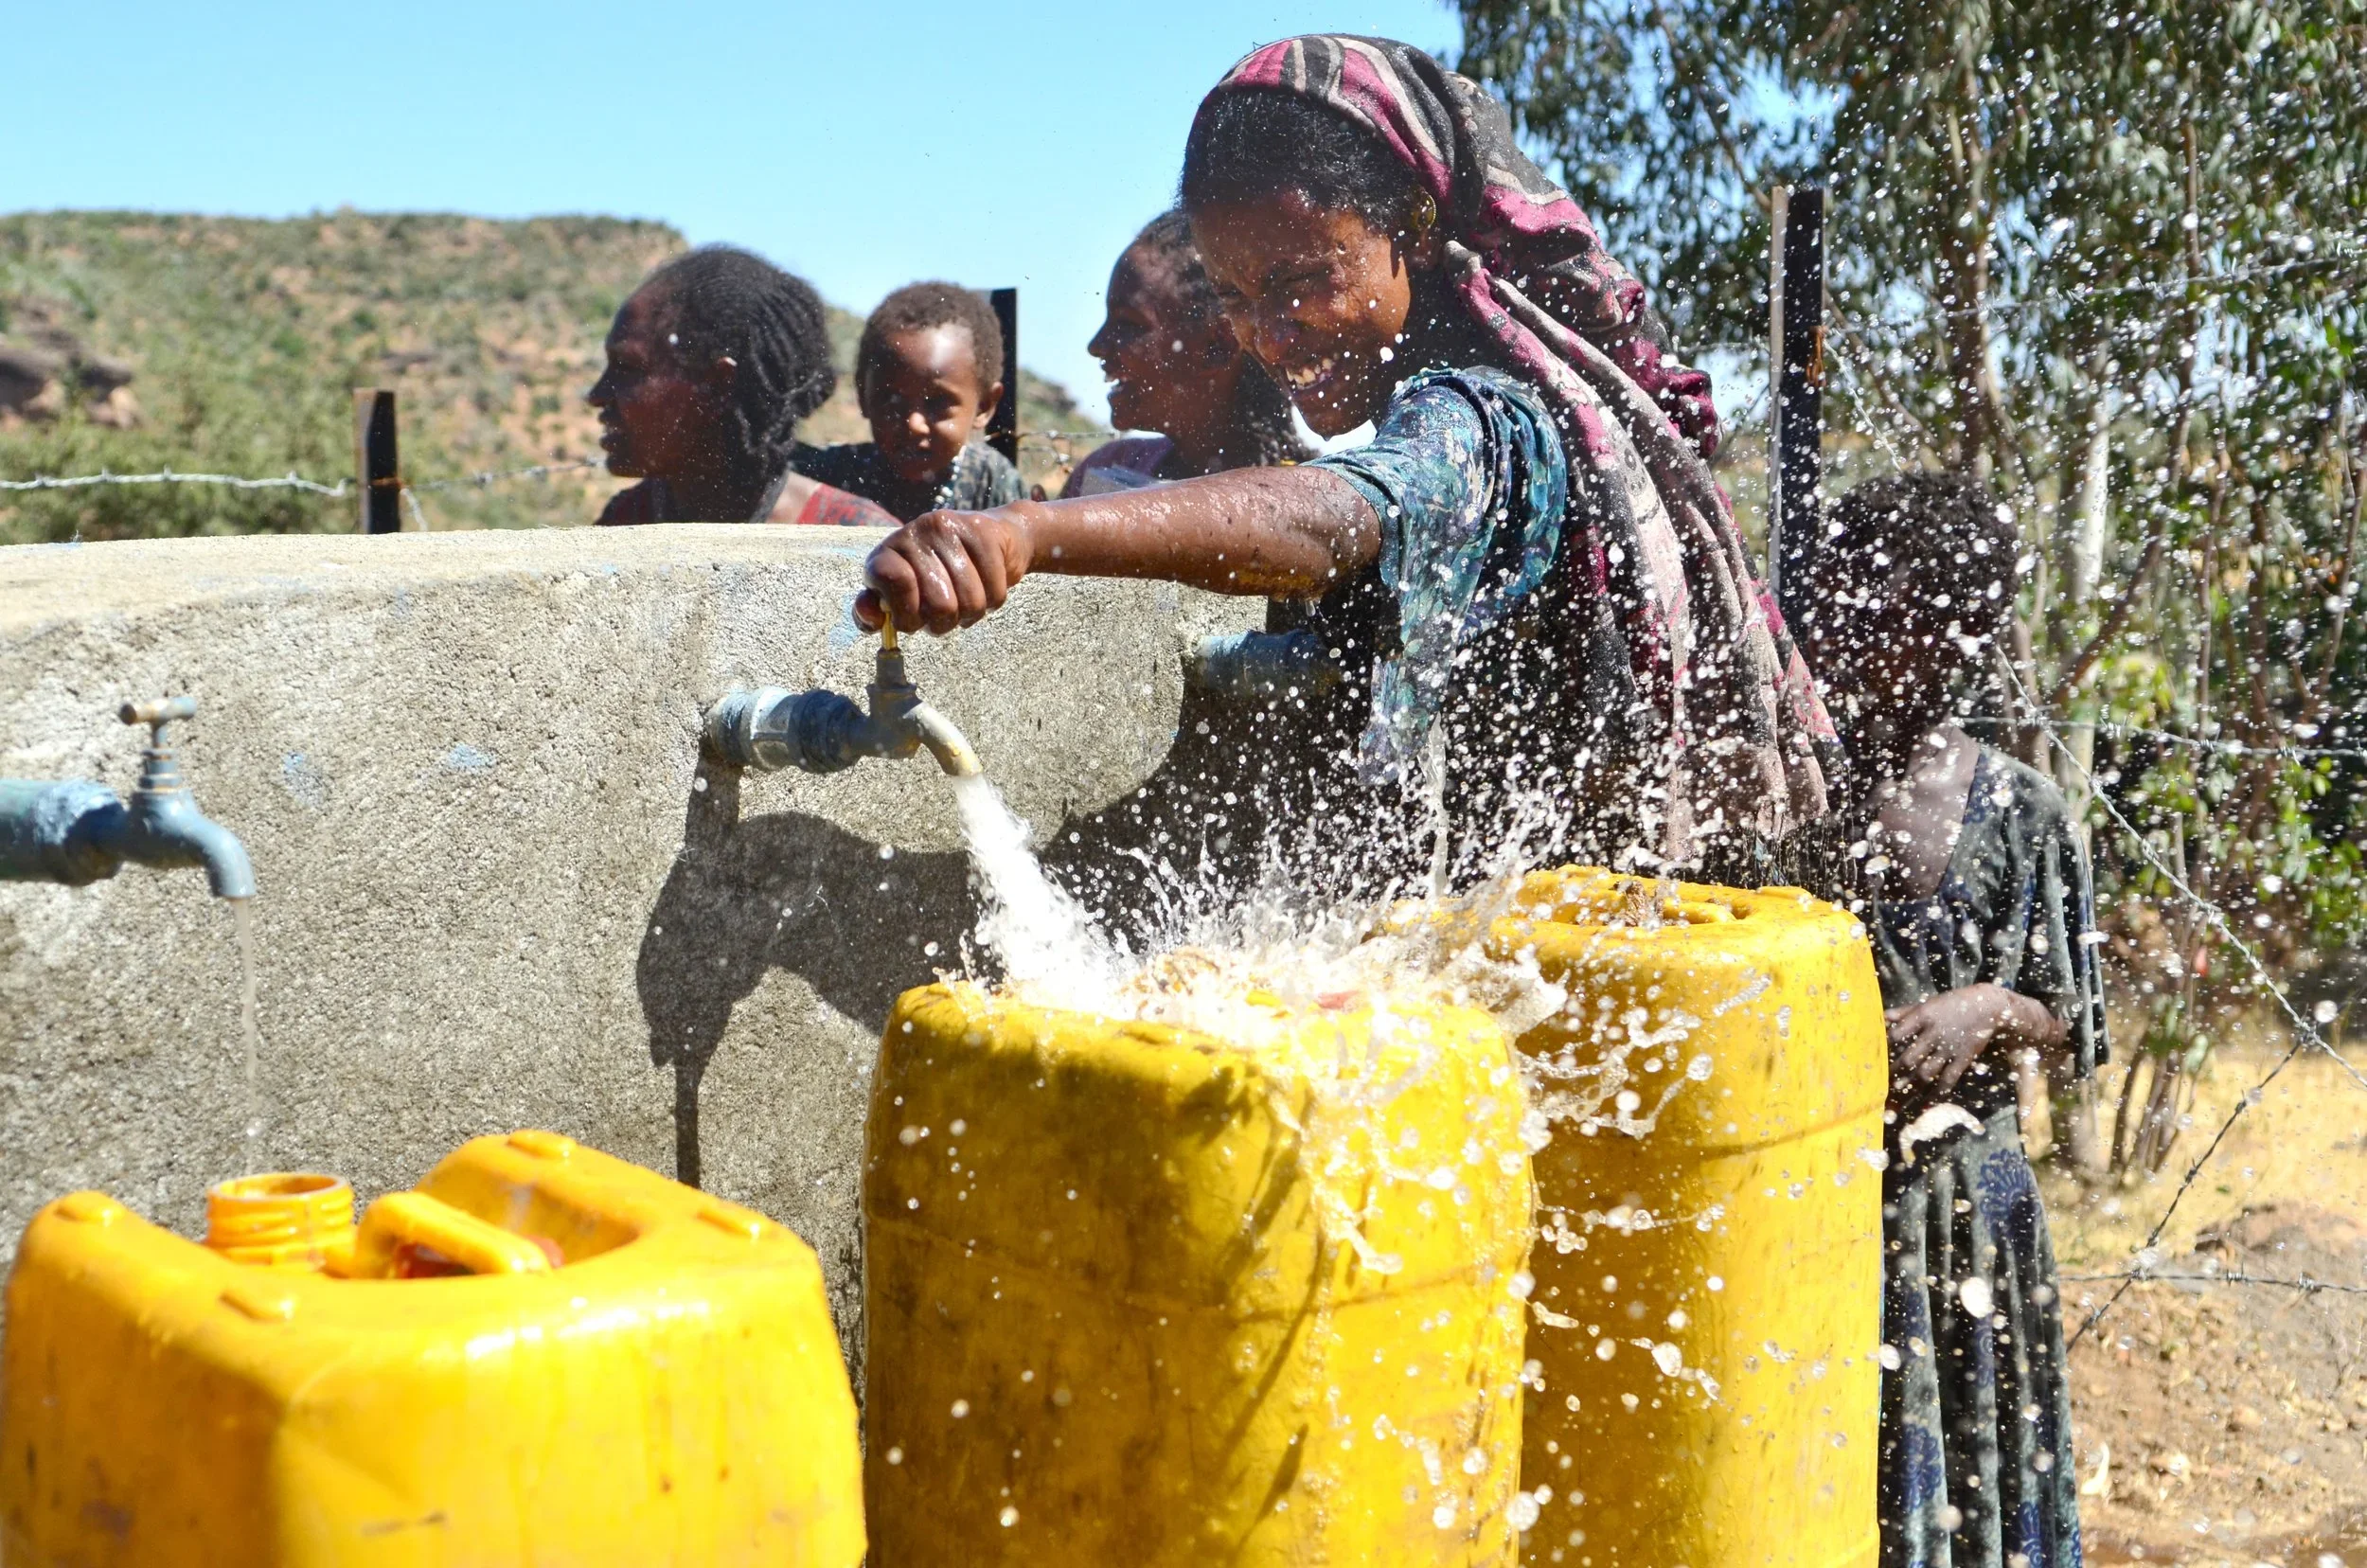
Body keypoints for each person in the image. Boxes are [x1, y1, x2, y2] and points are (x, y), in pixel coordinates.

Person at [858, 35, 1830, 888]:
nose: (1272, 337)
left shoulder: (1491, 415)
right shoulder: (1475, 388)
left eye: (1301, 280)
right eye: (1236, 299)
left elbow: (1339, 516)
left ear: (1412, 225)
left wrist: (1028, 533)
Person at [1792, 472, 2099, 1568]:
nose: (1879, 641)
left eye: (1914, 618)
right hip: (1817, 1203)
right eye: (1860, 609)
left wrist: (1990, 1007)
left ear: (1963, 630)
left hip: (1966, 1211)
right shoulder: (1792, 791)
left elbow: (2077, 1025)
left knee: (1971, 1489)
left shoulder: (2023, 810)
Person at [590, 246, 895, 528]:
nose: (597, 396)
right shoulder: (625, 520)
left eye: (628, 368)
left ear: (717, 386)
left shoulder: (857, 539)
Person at [1065, 208, 1312, 496]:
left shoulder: (1296, 501)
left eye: (1128, 324)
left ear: (1218, 345)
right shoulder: (1112, 466)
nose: (1096, 345)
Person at [794, 282, 1025, 522]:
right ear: (864, 397)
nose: (914, 424)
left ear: (984, 406)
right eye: (892, 401)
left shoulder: (992, 484)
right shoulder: (833, 475)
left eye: (938, 403)